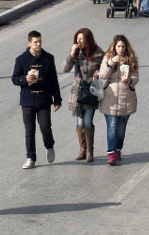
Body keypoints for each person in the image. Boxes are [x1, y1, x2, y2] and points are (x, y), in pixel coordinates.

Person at [11, 31, 61, 169]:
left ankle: (49, 146)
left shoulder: (48, 58)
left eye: (40, 41)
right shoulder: (21, 59)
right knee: (29, 130)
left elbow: (53, 80)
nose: (38, 44)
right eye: (35, 42)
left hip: (43, 99)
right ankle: (30, 157)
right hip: (27, 100)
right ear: (29, 43)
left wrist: (57, 99)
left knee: (45, 128)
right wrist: (24, 80)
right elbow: (14, 78)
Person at [62, 28, 104, 163]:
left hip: (91, 92)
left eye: (81, 39)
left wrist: (99, 74)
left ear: (88, 39)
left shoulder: (99, 53)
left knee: (87, 121)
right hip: (78, 92)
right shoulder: (77, 53)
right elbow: (65, 69)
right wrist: (71, 55)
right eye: (77, 39)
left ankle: (90, 151)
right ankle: (82, 149)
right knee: (79, 121)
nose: (79, 41)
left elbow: (105, 71)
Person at [98, 35, 140, 165]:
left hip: (126, 95)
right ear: (114, 47)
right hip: (110, 95)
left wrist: (129, 80)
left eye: (123, 46)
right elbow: (103, 75)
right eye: (118, 46)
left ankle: (117, 150)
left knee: (121, 127)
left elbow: (136, 77)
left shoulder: (131, 59)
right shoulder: (108, 57)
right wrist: (112, 62)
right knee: (112, 126)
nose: (121, 49)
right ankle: (111, 153)